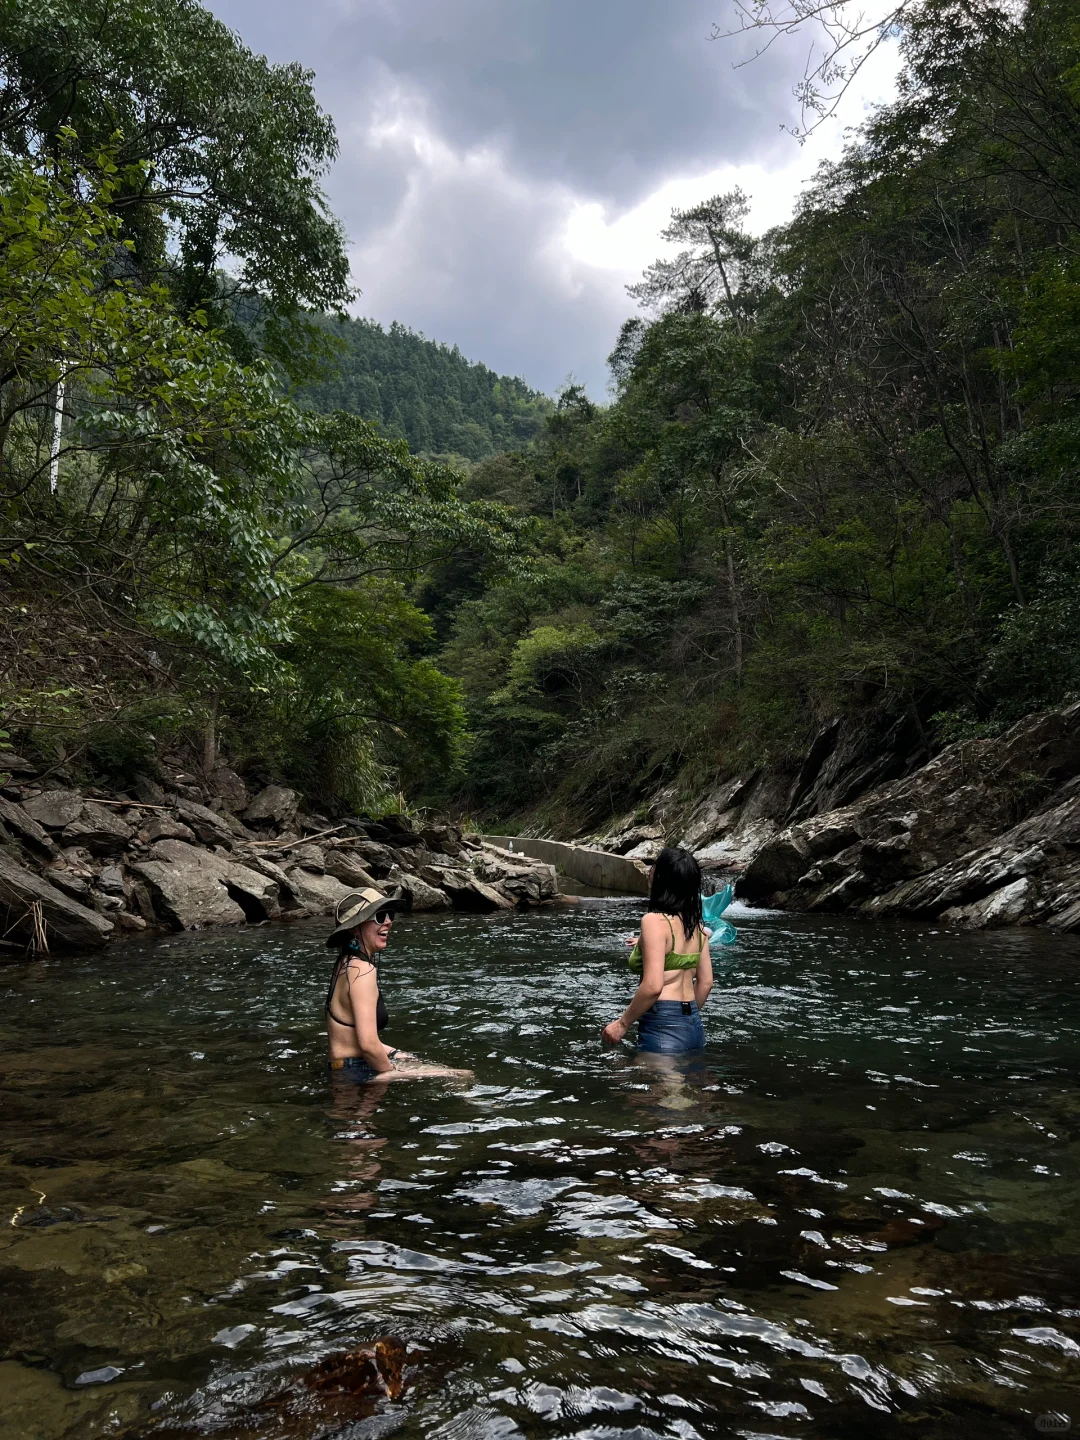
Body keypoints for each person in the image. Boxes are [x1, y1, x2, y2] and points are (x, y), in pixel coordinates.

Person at [325, 887, 470, 1082]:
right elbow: (368, 1045)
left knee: (421, 1062)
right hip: (356, 1073)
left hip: (342, 1068)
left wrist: (396, 1053)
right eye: (379, 917)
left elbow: (350, 1038)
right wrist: (392, 1072)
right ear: (354, 927)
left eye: (389, 915)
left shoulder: (345, 963)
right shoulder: (362, 971)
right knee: (461, 1076)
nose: (388, 922)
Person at [601, 846, 713, 1053]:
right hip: (694, 1026)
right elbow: (706, 983)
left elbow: (653, 985)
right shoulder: (697, 927)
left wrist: (621, 1025)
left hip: (661, 1022)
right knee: (689, 1084)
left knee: (653, 1084)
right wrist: (685, 1016)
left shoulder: (653, 921)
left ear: (662, 878)